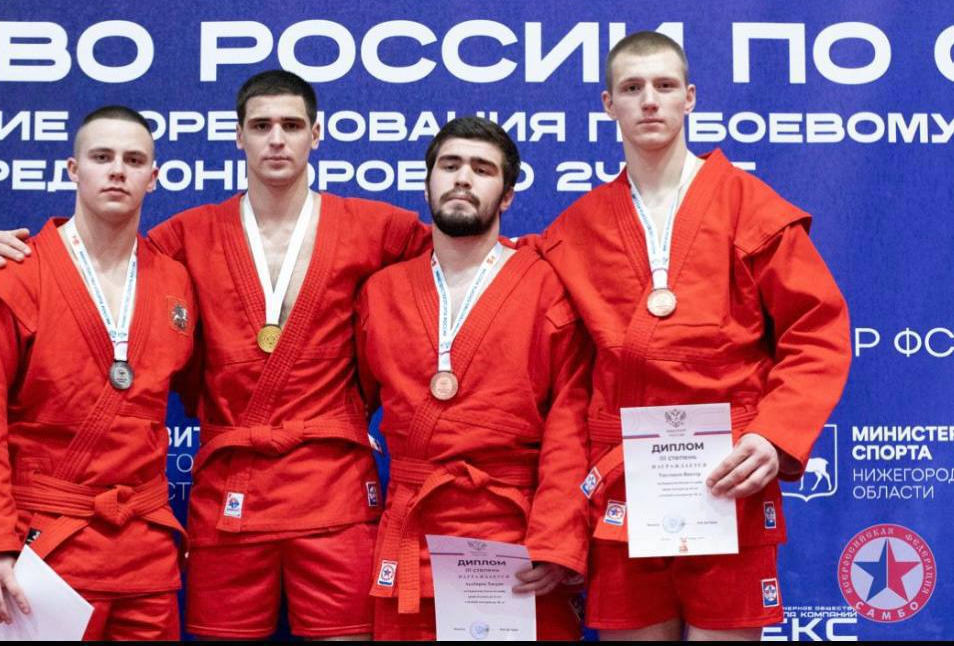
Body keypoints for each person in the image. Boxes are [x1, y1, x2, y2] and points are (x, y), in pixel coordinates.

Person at [0, 71, 430, 640]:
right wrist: (24, 255)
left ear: (316, 134)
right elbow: (104, 264)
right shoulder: (184, 238)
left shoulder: (378, 227)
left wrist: (532, 257)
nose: (276, 139)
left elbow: (465, 255)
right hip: (230, 488)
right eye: (260, 126)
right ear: (237, 135)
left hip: (333, 485)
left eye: (292, 125)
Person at [539, 32, 852, 640]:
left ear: (690, 97)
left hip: (728, 472)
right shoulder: (575, 229)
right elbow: (558, 368)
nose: (648, 100)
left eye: (663, 86)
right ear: (608, 104)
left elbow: (816, 329)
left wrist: (775, 434)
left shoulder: (748, 204)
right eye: (632, 87)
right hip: (625, 479)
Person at [0, 105, 197, 640]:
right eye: (102, 157)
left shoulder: (175, 282)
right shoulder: (14, 276)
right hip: (45, 548)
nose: (117, 170)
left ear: (154, 177)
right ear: (74, 170)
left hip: (144, 551)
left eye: (134, 160)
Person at [355, 117, 592, 640]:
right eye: (450, 165)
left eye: (482, 170)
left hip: (516, 537)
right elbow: (347, 407)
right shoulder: (381, 291)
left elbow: (571, 422)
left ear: (506, 196)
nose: (463, 178)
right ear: (427, 184)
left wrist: (556, 541)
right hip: (414, 530)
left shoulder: (546, 285)